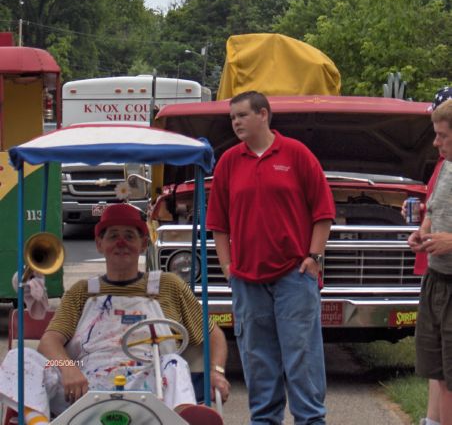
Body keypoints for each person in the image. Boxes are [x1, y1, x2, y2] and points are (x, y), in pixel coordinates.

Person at [0, 202, 230, 425]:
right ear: (99, 244)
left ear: (143, 244)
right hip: (83, 391)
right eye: (113, 236)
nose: (121, 243)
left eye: (129, 236)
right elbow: (49, 342)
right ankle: (38, 423)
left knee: (175, 361)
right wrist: (68, 367)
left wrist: (216, 371)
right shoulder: (81, 291)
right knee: (20, 357)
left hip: (152, 392)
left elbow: (214, 336)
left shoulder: (169, 285)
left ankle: (183, 417)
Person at [206, 91, 335, 425]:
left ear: (263, 114)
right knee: (258, 361)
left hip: (295, 275)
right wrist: (226, 265)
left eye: (242, 115)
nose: (235, 122)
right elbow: (218, 223)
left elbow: (323, 212)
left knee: (301, 358)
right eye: (232, 117)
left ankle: (310, 420)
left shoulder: (296, 154)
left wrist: (314, 258)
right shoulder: (229, 162)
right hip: (247, 280)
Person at [404, 86, 452, 425]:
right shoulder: (446, 167)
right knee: (436, 368)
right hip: (436, 280)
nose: (435, 143)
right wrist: (423, 231)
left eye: (442, 136)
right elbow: (433, 209)